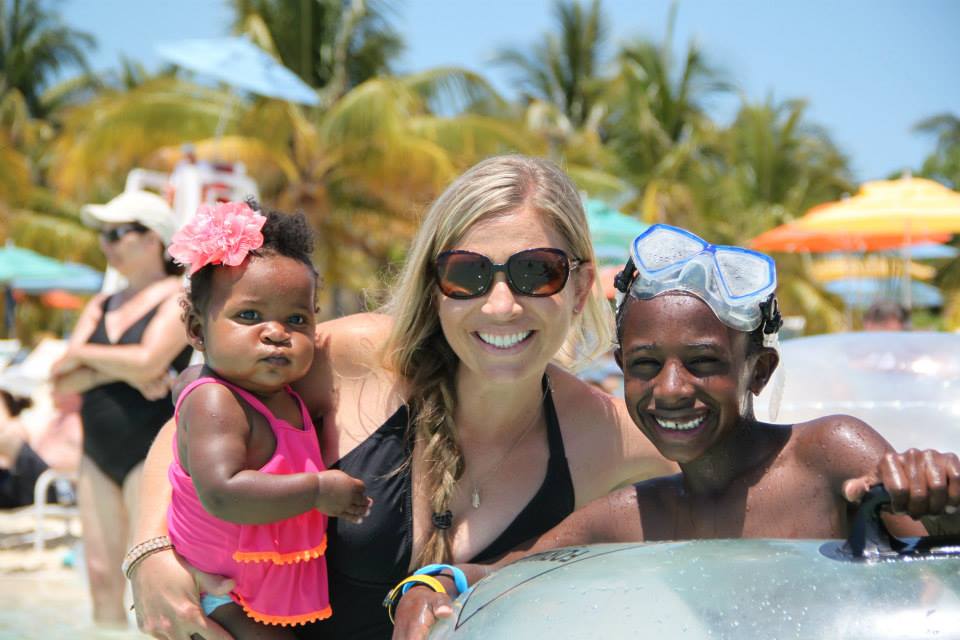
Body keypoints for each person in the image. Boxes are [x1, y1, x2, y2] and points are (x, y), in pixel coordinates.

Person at [128, 155, 677, 640]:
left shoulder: (604, 433)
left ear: (580, 289)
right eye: (468, 274)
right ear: (434, 284)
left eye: (538, 272)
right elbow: (196, 416)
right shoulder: (357, 359)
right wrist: (149, 554)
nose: (503, 305)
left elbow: (743, 474)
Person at [392, 224, 960, 639]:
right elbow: (502, 572)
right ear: (621, 369)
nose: (669, 388)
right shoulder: (633, 516)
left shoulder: (828, 454)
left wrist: (942, 508)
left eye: (703, 362)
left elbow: (936, 583)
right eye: (644, 365)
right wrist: (432, 585)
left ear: (758, 371)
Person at [163, 201, 371, 638]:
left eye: (296, 319)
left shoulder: (283, 395)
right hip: (221, 592)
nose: (276, 332)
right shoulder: (216, 402)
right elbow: (223, 492)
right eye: (249, 316)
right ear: (198, 331)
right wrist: (317, 489)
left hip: (254, 581)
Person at [50, 189, 193, 626]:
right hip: (97, 451)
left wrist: (89, 358)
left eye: (116, 233)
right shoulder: (101, 303)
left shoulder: (178, 298)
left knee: (146, 573)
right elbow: (60, 376)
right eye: (103, 235)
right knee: (98, 575)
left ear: (152, 239)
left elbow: (150, 360)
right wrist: (125, 369)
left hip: (149, 449)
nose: (106, 245)